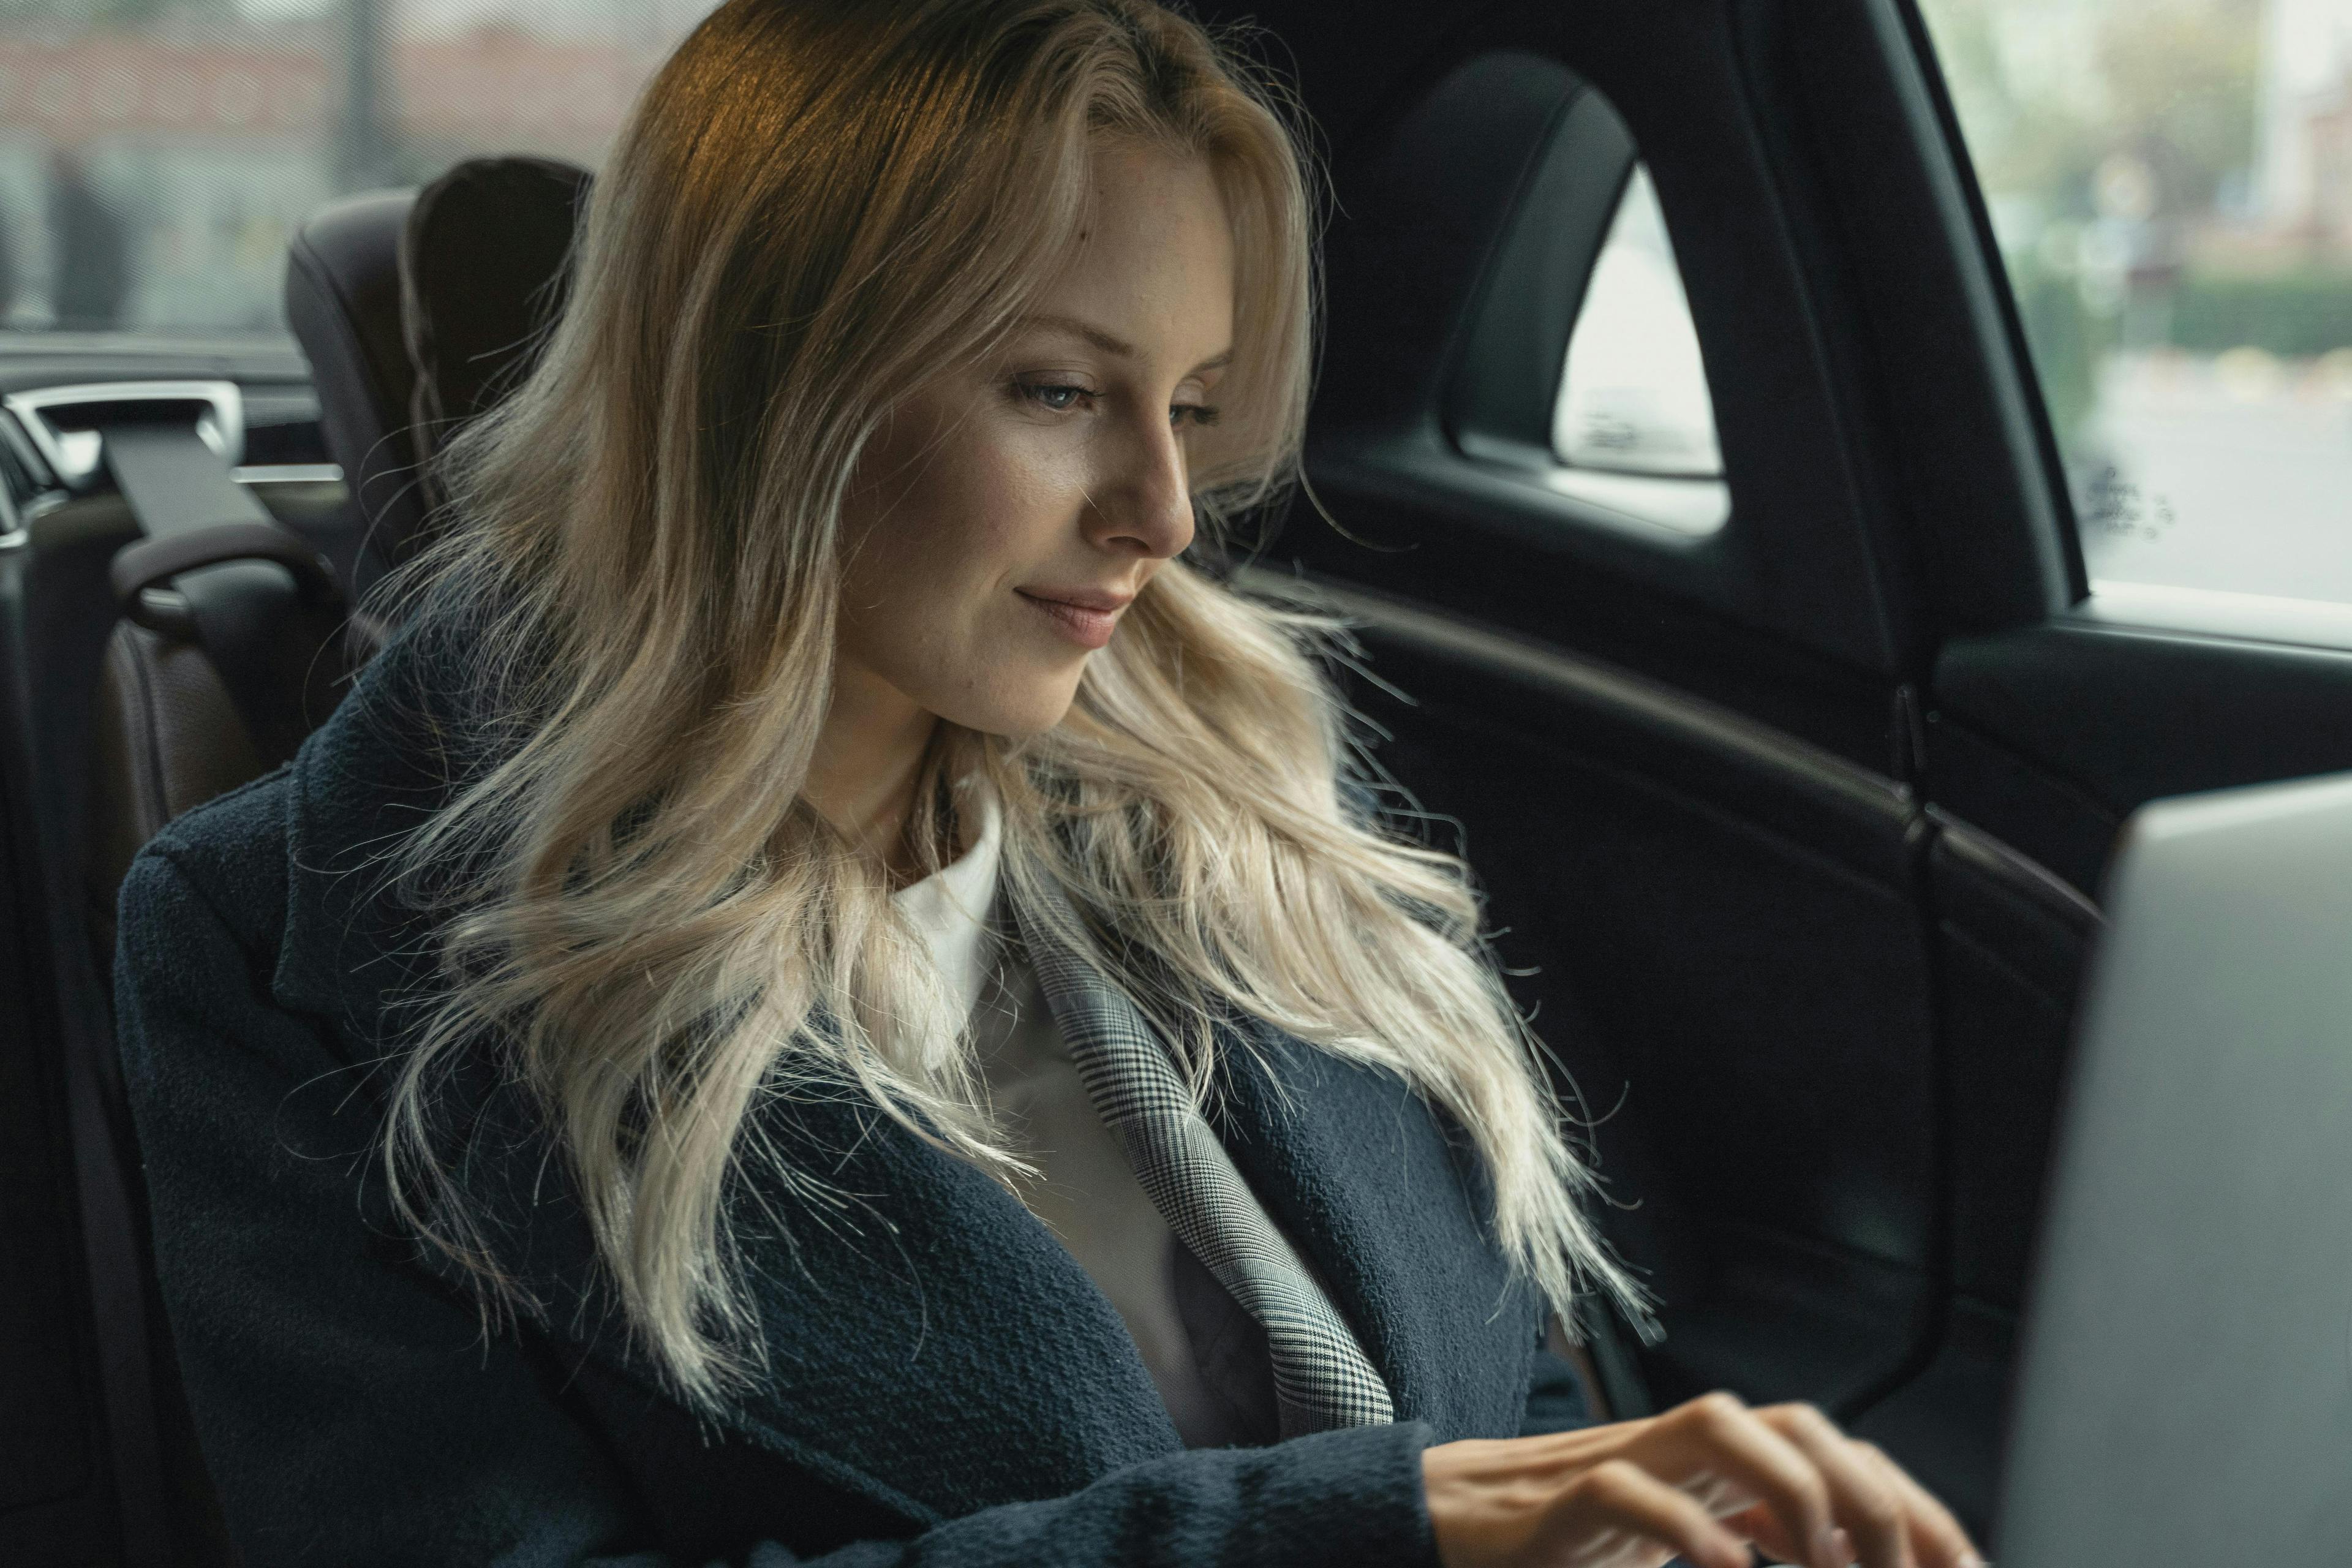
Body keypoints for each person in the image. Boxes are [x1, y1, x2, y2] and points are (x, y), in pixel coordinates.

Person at [111, 2, 1985, 1566]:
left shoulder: (1242, 813)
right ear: (775, 386)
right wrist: (1368, 1530)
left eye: (1188, 404)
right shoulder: (286, 951)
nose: (1164, 518)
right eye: (1064, 393)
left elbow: (1517, 1395)